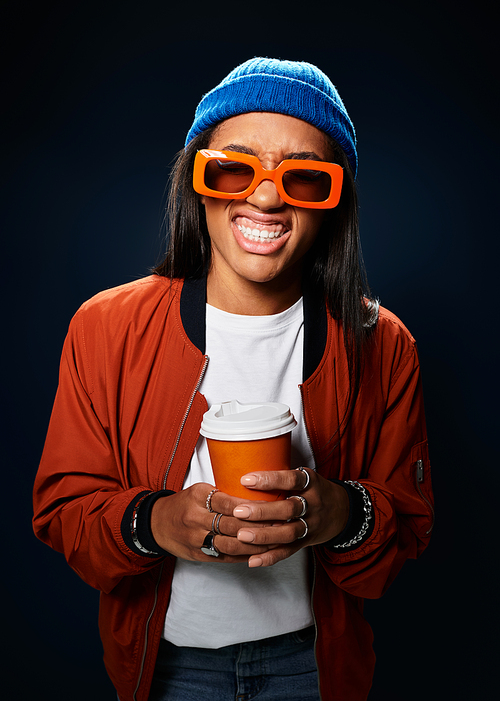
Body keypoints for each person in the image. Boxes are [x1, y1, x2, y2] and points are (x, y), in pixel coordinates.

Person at [33, 57, 434, 701]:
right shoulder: (105, 328)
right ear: (198, 183)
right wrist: (155, 522)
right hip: (167, 670)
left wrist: (337, 514)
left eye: (304, 179)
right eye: (233, 168)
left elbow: (406, 530)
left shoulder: (384, 345)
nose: (267, 196)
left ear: (335, 206)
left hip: (316, 665)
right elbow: (62, 509)